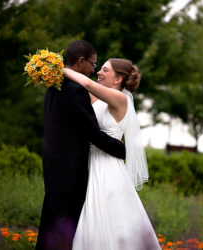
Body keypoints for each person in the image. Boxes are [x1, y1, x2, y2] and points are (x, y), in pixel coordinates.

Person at [36, 40, 126, 250]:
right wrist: (121, 149)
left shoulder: (54, 83)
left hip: (53, 164)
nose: (94, 70)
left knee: (50, 220)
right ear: (81, 61)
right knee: (63, 224)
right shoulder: (76, 90)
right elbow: (92, 132)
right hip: (69, 169)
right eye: (93, 64)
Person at [63, 58, 161, 250]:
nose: (99, 72)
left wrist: (59, 67)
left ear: (118, 79)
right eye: (100, 68)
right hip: (89, 163)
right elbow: (80, 90)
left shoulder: (120, 99)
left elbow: (86, 82)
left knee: (109, 217)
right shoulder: (98, 99)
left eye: (105, 70)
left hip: (107, 168)